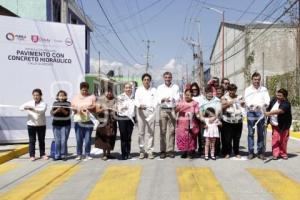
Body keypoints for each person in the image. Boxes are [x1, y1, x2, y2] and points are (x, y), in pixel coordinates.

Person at [244, 72, 270, 160]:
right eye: (255, 79)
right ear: (252, 80)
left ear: (260, 80)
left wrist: (263, 106)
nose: (257, 81)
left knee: (261, 134)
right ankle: (251, 152)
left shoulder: (264, 89)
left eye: (258, 79)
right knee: (251, 133)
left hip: (261, 113)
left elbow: (267, 100)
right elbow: (246, 100)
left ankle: (260, 153)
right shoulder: (248, 89)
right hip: (251, 112)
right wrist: (252, 106)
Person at [19, 88, 48, 161]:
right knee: (32, 140)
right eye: (34, 95)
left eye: (37, 95)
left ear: (41, 96)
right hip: (31, 125)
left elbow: (41, 111)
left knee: (41, 140)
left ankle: (42, 154)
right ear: (32, 96)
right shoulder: (30, 103)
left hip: (41, 125)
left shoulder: (44, 104)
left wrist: (32, 109)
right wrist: (26, 108)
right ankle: (32, 155)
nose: (36, 97)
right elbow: (20, 108)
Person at [156, 71, 180, 159]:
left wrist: (173, 99)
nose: (167, 79)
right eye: (166, 77)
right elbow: (157, 98)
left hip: (172, 110)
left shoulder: (176, 87)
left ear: (171, 78)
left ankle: (170, 151)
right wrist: (162, 99)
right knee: (163, 131)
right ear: (163, 78)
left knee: (172, 131)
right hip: (163, 110)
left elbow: (178, 98)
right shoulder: (159, 87)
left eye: (169, 77)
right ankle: (163, 151)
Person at [134, 73, 157, 159]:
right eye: (145, 80)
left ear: (150, 81)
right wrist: (139, 105)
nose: (146, 81)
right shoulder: (139, 90)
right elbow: (135, 100)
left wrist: (152, 108)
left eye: (148, 80)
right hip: (141, 112)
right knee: (141, 133)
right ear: (142, 81)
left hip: (151, 113)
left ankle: (150, 151)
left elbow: (156, 101)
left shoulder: (154, 90)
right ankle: (142, 151)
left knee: (151, 133)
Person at [71, 82, 96, 161]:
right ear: (80, 89)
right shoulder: (75, 97)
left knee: (88, 139)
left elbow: (94, 106)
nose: (84, 91)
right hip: (78, 120)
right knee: (79, 139)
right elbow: (73, 108)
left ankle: (87, 154)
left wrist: (89, 108)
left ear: (88, 89)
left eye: (86, 90)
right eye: (83, 90)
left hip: (88, 121)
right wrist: (79, 109)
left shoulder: (92, 96)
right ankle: (79, 154)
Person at [265, 88, 292, 160]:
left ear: (284, 96)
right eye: (277, 95)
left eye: (280, 96)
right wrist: (267, 121)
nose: (278, 97)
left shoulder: (286, 103)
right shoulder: (274, 100)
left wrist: (269, 113)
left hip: (284, 125)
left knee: (283, 140)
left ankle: (283, 153)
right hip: (274, 124)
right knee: (275, 139)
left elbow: (280, 111)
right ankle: (275, 154)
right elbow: (268, 108)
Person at [175, 89, 200, 159]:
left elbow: (197, 112)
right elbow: (175, 110)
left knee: (191, 137)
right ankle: (184, 151)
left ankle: (191, 152)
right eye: (186, 95)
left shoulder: (195, 103)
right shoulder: (181, 102)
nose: (187, 96)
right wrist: (178, 108)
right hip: (182, 123)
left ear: (192, 96)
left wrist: (200, 116)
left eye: (189, 95)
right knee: (183, 137)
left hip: (191, 123)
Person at [221, 84, 244, 158]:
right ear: (228, 90)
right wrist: (230, 102)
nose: (232, 92)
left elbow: (243, 105)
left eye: (233, 90)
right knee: (228, 138)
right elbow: (222, 107)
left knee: (237, 137)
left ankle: (236, 152)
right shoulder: (224, 97)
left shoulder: (239, 97)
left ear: (235, 90)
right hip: (227, 121)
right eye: (230, 90)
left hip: (238, 121)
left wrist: (243, 103)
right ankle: (228, 152)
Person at [198, 86, 222, 155]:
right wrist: (203, 120)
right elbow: (200, 111)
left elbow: (218, 110)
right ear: (205, 93)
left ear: (212, 93)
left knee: (215, 137)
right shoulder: (202, 101)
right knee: (205, 137)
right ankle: (206, 152)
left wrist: (213, 118)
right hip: (205, 121)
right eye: (208, 92)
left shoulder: (216, 100)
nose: (209, 94)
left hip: (214, 121)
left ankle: (215, 152)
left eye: (210, 92)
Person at [95, 87, 117, 161]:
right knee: (104, 137)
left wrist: (114, 109)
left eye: (110, 92)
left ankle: (109, 153)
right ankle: (104, 154)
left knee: (111, 137)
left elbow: (117, 109)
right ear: (104, 92)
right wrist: (104, 108)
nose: (109, 93)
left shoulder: (114, 99)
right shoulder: (100, 99)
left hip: (112, 121)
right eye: (108, 92)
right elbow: (97, 111)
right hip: (103, 121)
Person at [51, 90, 71, 161]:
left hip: (65, 124)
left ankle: (63, 154)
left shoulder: (68, 103)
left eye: (63, 95)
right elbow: (52, 113)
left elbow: (67, 114)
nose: (61, 97)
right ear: (57, 96)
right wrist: (57, 110)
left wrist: (62, 109)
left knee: (63, 140)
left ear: (65, 96)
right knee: (57, 140)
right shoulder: (55, 103)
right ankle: (57, 155)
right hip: (56, 124)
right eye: (60, 95)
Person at [116, 83, 135, 160]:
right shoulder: (120, 97)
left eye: (130, 88)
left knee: (129, 137)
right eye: (126, 88)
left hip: (131, 119)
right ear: (124, 89)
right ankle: (124, 154)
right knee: (123, 136)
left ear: (132, 89)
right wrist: (125, 107)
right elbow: (119, 108)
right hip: (122, 118)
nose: (128, 89)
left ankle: (128, 153)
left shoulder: (134, 97)